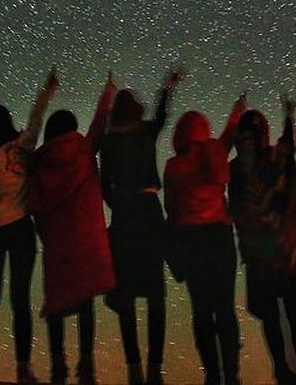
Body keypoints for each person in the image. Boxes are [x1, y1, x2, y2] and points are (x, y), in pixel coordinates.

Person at [0, 69, 59, 384]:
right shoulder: (22, 147)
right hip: (22, 231)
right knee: (20, 300)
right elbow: (36, 119)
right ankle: (24, 369)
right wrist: (47, 91)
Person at [30, 72, 117, 385]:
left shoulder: (39, 164)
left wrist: (46, 234)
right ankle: (86, 364)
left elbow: (35, 206)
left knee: (56, 304)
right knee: (85, 302)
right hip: (87, 241)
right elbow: (99, 121)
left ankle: (57, 366)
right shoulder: (83, 149)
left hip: (57, 245)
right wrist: (109, 90)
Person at [99, 68, 181, 385]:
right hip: (149, 212)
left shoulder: (108, 142)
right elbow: (161, 118)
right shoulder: (145, 132)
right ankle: (154, 367)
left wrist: (118, 203)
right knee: (156, 294)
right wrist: (166, 89)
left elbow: (105, 185)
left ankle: (133, 367)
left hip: (124, 216)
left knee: (127, 296)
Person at [229, 95, 296, 385]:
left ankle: (282, 370)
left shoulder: (235, 168)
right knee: (294, 312)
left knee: (270, 315)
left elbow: (236, 208)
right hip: (285, 249)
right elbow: (288, 149)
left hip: (256, 254)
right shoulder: (276, 157)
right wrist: (289, 116)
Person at [163, 96, 244, 385]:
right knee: (225, 307)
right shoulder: (214, 151)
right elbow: (228, 138)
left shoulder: (173, 166)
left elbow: (170, 208)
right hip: (219, 237)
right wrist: (236, 112)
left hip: (190, 239)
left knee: (201, 309)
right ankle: (232, 375)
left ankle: (212, 374)